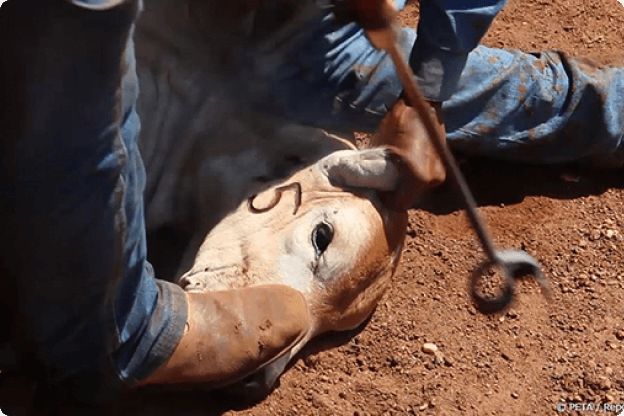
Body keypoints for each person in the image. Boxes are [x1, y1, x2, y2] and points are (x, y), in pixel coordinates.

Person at [0, 0, 622, 411]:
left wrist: (430, 84)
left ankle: (608, 110)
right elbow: (74, 76)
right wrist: (120, 326)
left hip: (271, 30)